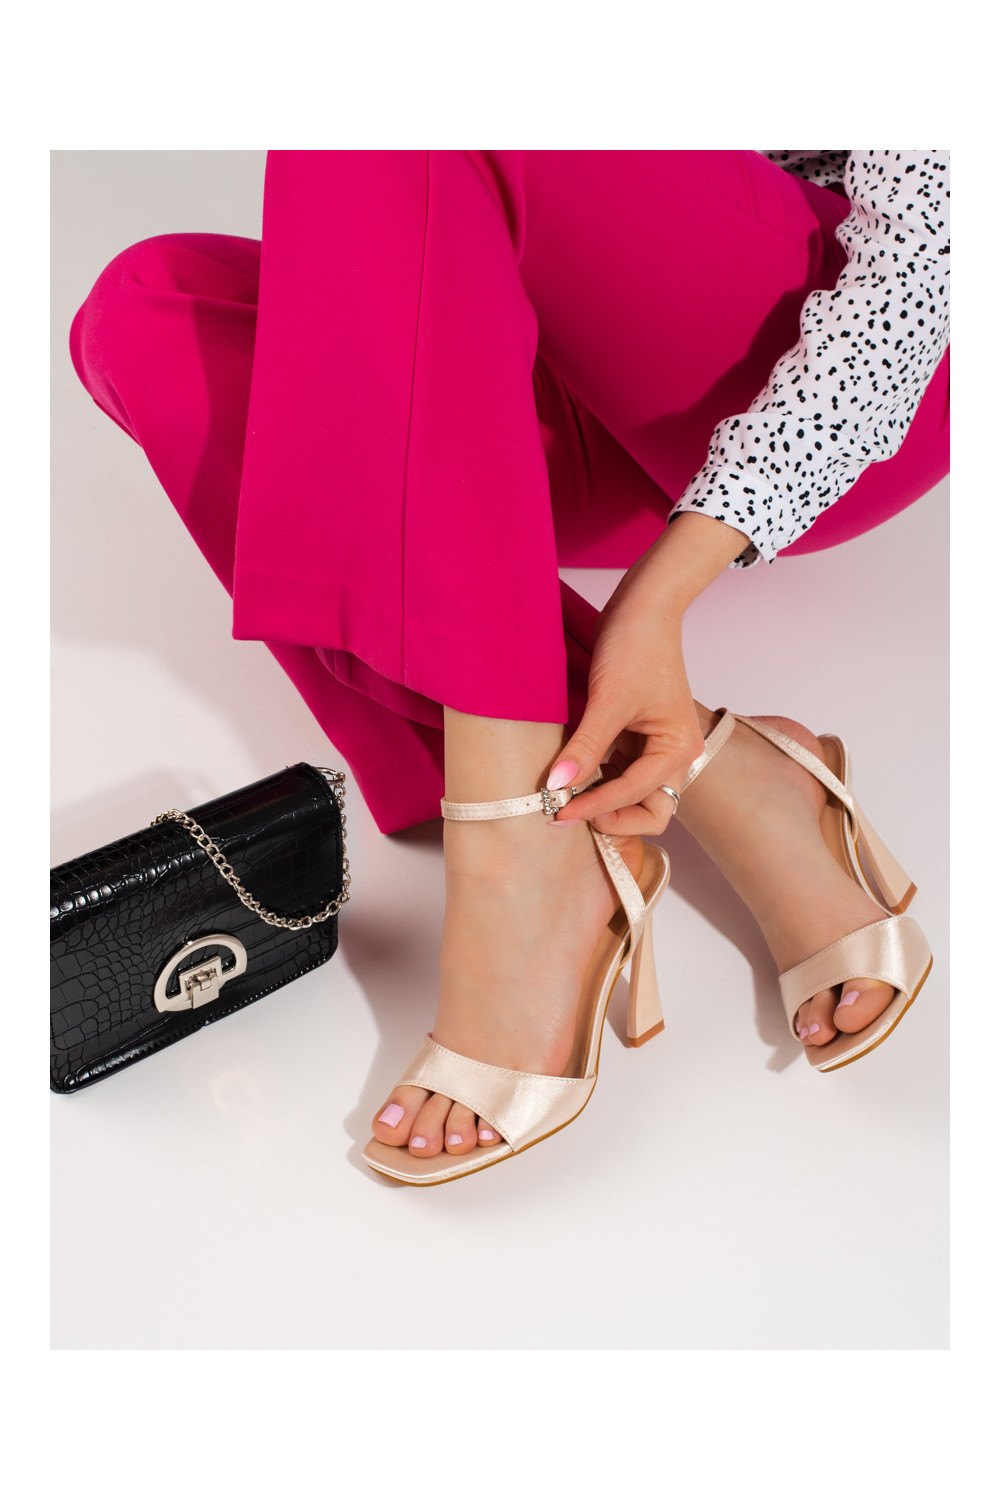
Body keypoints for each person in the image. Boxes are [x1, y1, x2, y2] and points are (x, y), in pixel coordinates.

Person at [69, 150, 950, 1185]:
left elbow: (928, 261)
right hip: (559, 370)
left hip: (842, 374)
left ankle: (519, 853)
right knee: (147, 311)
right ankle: (712, 771)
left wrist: (659, 597)